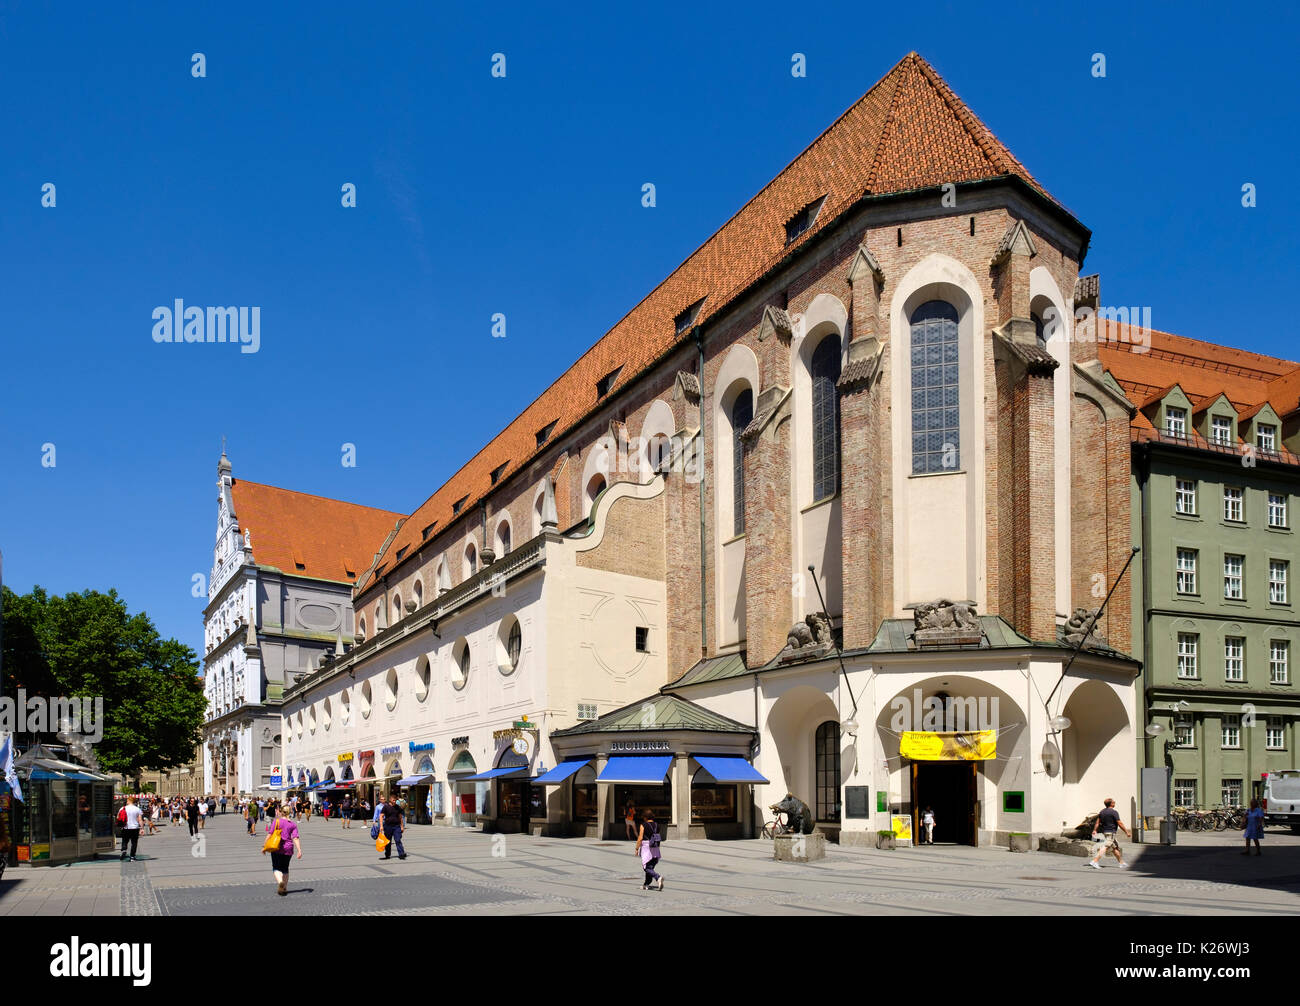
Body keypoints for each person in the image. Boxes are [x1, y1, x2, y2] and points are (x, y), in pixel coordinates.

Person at [263, 802, 303, 897]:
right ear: (289, 812)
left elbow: (270, 834)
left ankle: (280, 882)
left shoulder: (276, 822)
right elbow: (295, 838)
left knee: (276, 867)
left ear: (281, 812)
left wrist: (264, 846)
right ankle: (284, 887)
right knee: (285, 868)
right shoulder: (292, 824)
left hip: (276, 847)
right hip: (288, 848)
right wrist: (299, 850)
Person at [1087, 797, 1131, 870]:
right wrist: (1126, 832)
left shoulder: (1102, 812)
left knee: (1115, 848)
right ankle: (1095, 861)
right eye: (1114, 802)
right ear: (1111, 804)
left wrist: (1094, 830)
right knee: (1106, 846)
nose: (1115, 803)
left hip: (1105, 832)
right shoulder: (1114, 812)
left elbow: (1097, 822)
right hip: (1111, 832)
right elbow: (1119, 823)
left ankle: (1121, 863)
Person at [635, 810, 663, 890]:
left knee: (646, 867)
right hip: (655, 846)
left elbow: (640, 838)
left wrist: (637, 848)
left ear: (645, 817)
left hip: (647, 847)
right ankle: (646, 884)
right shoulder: (657, 825)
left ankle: (658, 877)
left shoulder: (643, 825)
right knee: (650, 866)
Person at [379, 794, 407, 861]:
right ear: (390, 800)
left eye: (395, 800)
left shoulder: (398, 807)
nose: (394, 801)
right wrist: (381, 826)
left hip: (396, 826)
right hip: (388, 826)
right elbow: (381, 816)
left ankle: (401, 854)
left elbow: (400, 818)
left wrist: (402, 827)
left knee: (398, 840)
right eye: (393, 800)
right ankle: (387, 855)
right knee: (388, 841)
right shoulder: (386, 807)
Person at [120, 797, 145, 862]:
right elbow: (140, 819)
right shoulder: (137, 809)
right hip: (135, 828)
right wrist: (142, 828)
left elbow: (118, 817)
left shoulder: (123, 808)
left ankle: (124, 849)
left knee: (125, 840)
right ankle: (132, 857)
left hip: (125, 827)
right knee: (134, 843)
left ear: (128, 801)